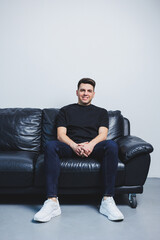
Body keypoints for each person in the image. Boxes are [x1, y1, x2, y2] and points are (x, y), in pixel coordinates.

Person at [34, 78, 124, 222]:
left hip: (92, 147)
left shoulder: (101, 112)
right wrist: (75, 146)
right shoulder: (65, 111)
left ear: (94, 94)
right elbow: (60, 135)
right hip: (71, 147)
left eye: (89, 91)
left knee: (112, 145)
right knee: (51, 145)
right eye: (82, 90)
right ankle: (52, 202)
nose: (85, 93)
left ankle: (107, 200)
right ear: (77, 92)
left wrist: (90, 145)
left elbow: (103, 135)